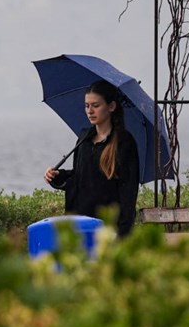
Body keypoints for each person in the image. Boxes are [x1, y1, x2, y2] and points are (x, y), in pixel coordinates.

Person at [44, 79, 140, 236]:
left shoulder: (124, 143)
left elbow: (128, 193)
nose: (90, 111)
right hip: (80, 225)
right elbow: (79, 176)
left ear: (111, 106)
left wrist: (122, 234)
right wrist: (57, 176)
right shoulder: (84, 137)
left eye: (96, 106)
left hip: (107, 229)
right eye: (87, 106)